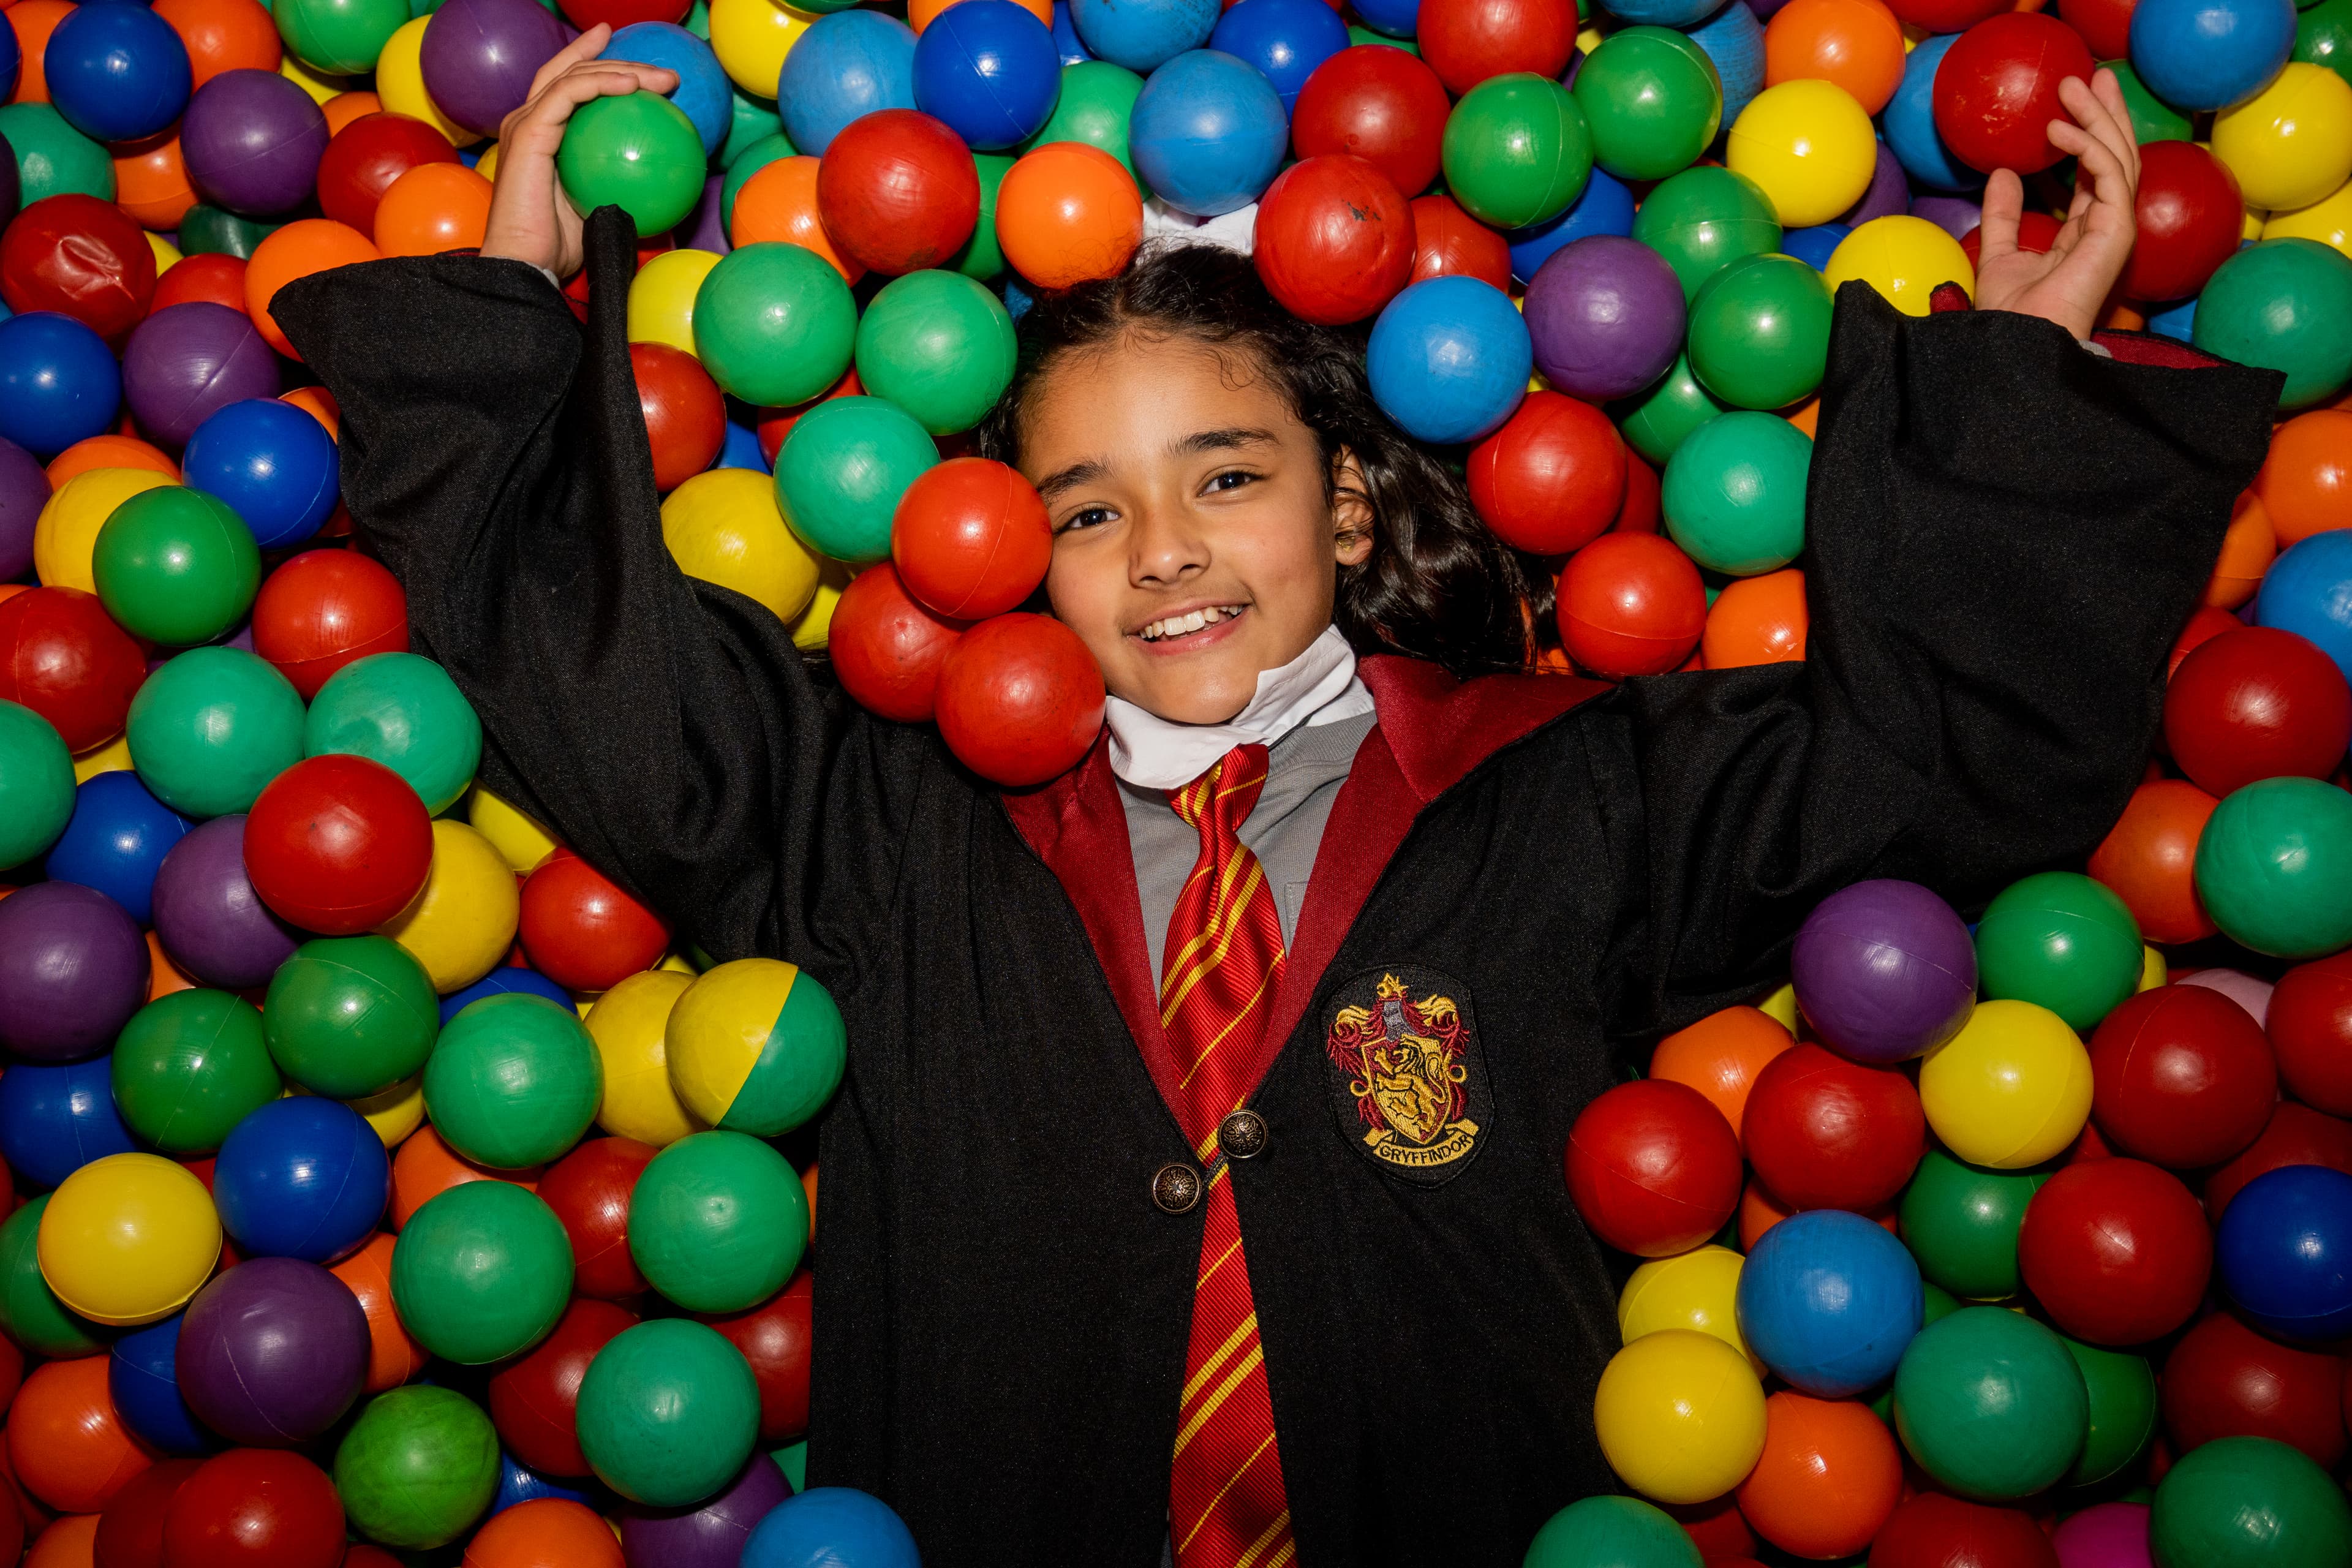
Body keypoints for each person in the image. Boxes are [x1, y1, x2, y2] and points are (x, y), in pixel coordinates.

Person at [274, 32, 2280, 1566]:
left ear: (1337, 496)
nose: (1164, 549)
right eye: (1088, 507)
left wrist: (2016, 389)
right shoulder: (883, 823)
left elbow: (1937, 778)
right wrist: (506, 318)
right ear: (1006, 553)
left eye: (1225, 474)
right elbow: (584, 677)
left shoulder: (1576, 783)